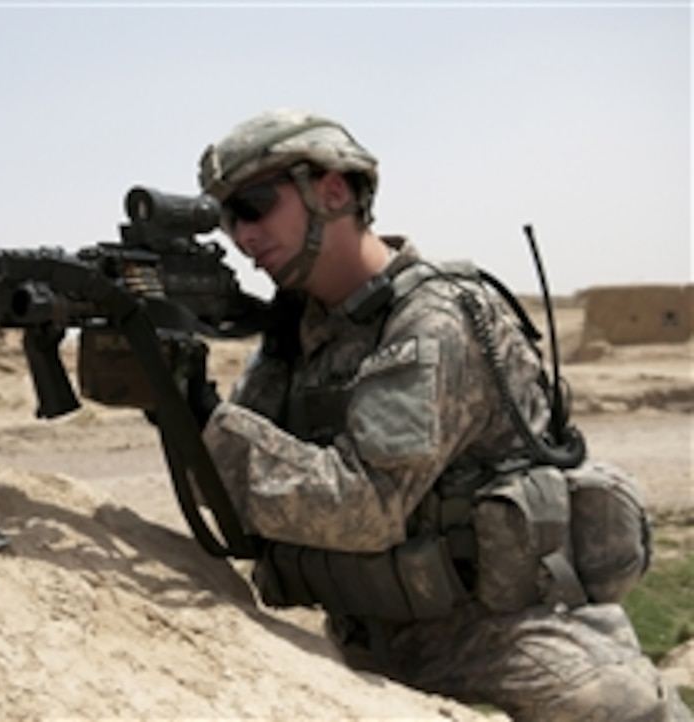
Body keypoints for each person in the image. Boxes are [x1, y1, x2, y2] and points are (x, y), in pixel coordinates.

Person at [189, 108, 691, 722]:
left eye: (255, 205)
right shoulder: (297, 334)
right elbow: (227, 489)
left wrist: (206, 419)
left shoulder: (433, 319)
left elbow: (364, 507)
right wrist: (171, 396)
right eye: (227, 217)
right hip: (368, 644)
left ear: (333, 190)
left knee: (616, 710)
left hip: (504, 635)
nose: (241, 235)